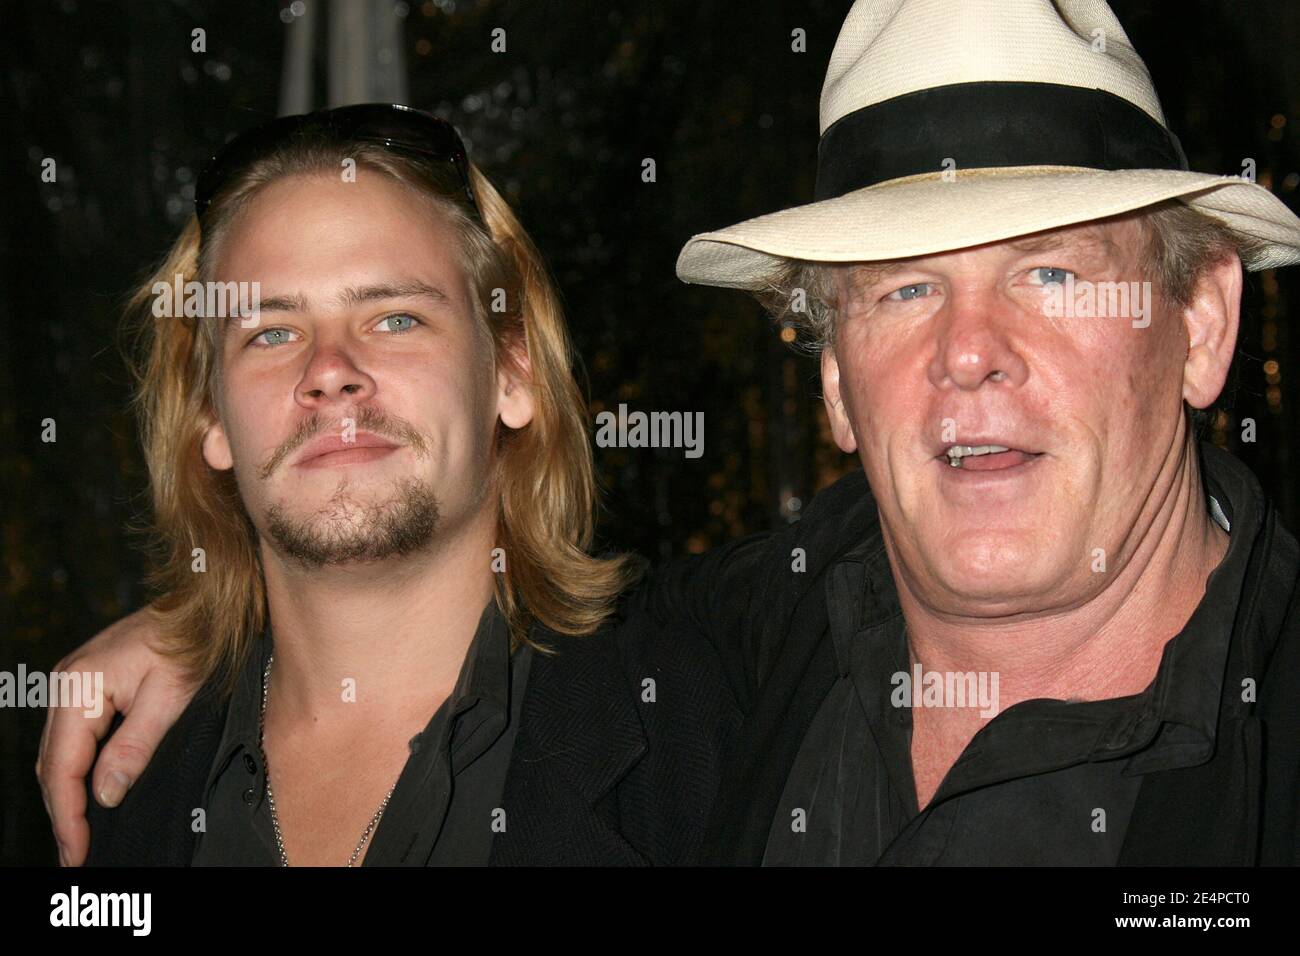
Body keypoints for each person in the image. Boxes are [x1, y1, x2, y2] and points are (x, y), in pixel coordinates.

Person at [42, 0, 1300, 866]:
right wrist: (203, 624)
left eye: (1051, 275)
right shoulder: (735, 650)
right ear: (835, 386)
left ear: (1198, 324)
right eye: (902, 289)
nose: (968, 351)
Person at [42, 103, 733, 866]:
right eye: (272, 332)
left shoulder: (710, 710)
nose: (330, 371)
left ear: (512, 371)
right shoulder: (127, 789)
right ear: (211, 417)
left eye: (394, 318)